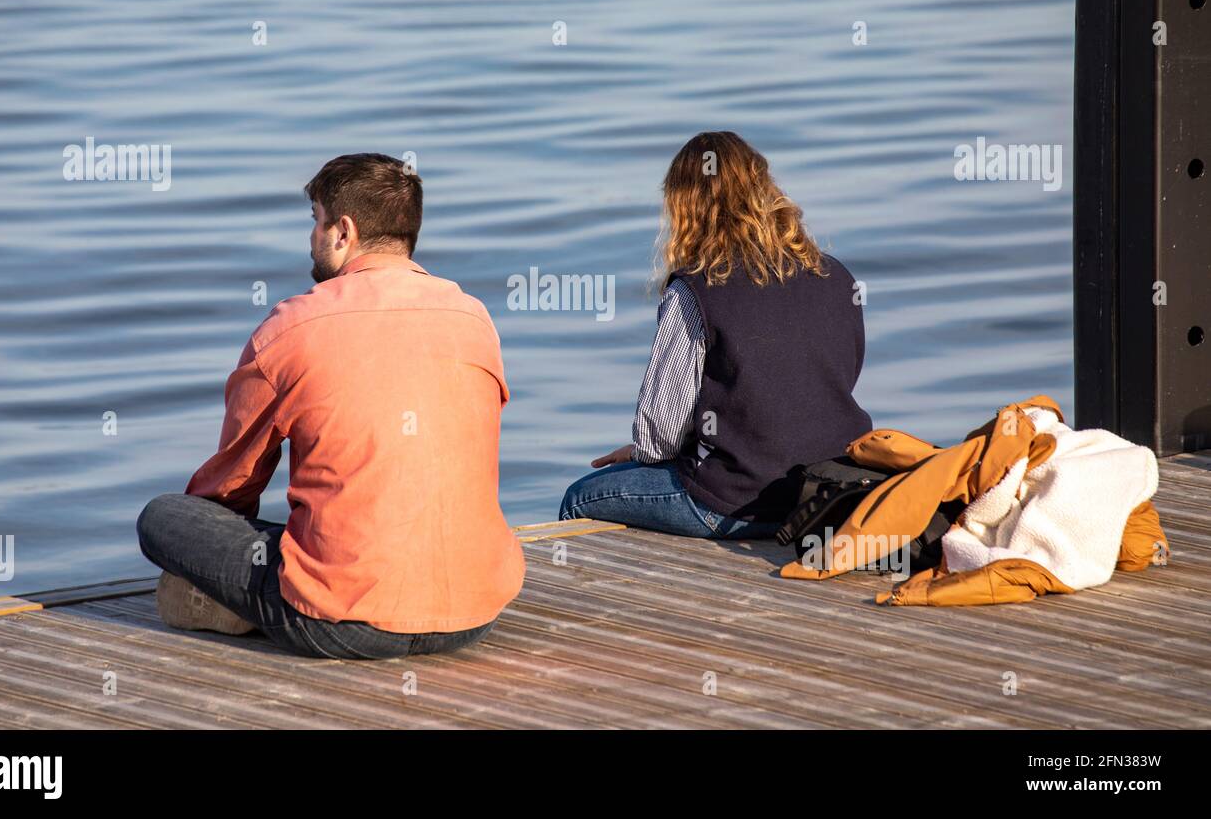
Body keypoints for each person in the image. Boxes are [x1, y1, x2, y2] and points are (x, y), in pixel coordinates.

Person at [137, 154, 524, 659]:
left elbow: (230, 488)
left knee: (163, 518)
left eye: (315, 220)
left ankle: (236, 608)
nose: (312, 238)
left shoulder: (292, 327)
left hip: (342, 620)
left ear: (343, 232)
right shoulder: (474, 319)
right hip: (473, 613)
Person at [558, 131, 873, 539]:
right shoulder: (834, 275)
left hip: (740, 501)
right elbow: (833, 380)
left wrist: (641, 455)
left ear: (685, 208)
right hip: (832, 490)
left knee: (580, 499)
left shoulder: (693, 291)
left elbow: (660, 438)